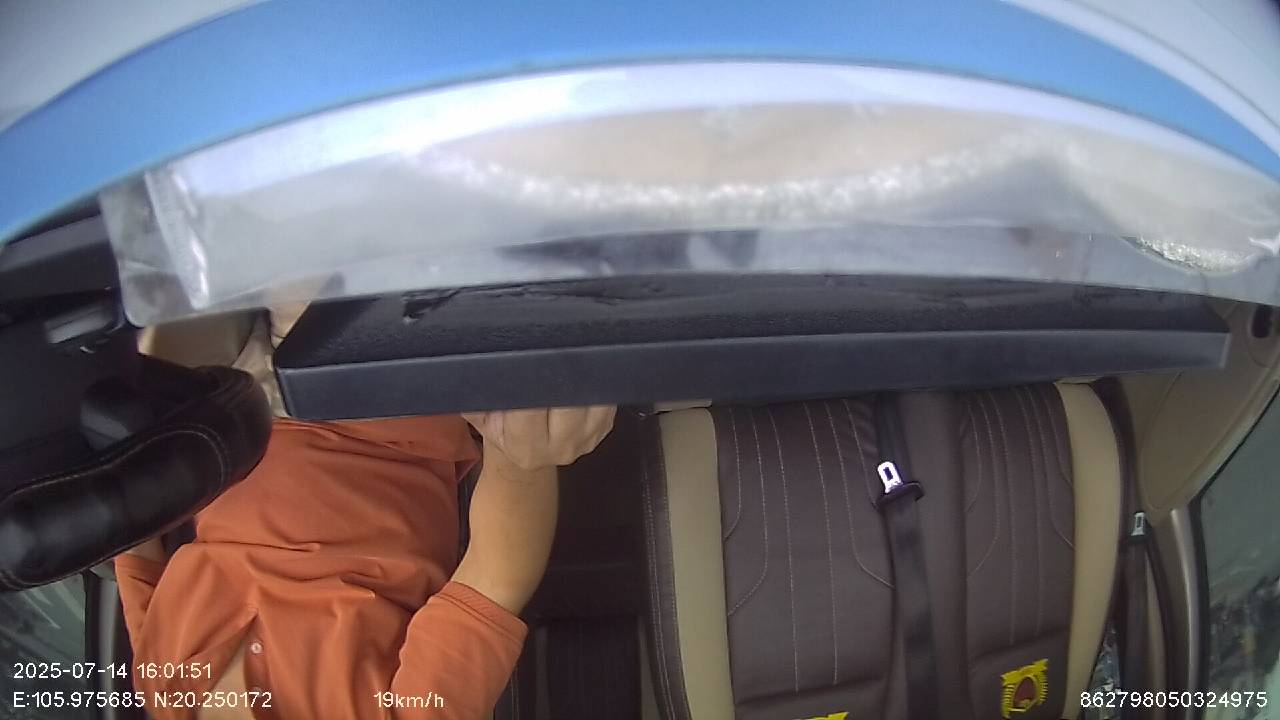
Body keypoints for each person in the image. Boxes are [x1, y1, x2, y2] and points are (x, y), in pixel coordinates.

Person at [114, 405, 616, 719]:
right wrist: (520, 449)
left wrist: (112, 455)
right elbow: (494, 581)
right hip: (383, 408)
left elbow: (132, 542)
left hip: (218, 409)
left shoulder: (162, 691)